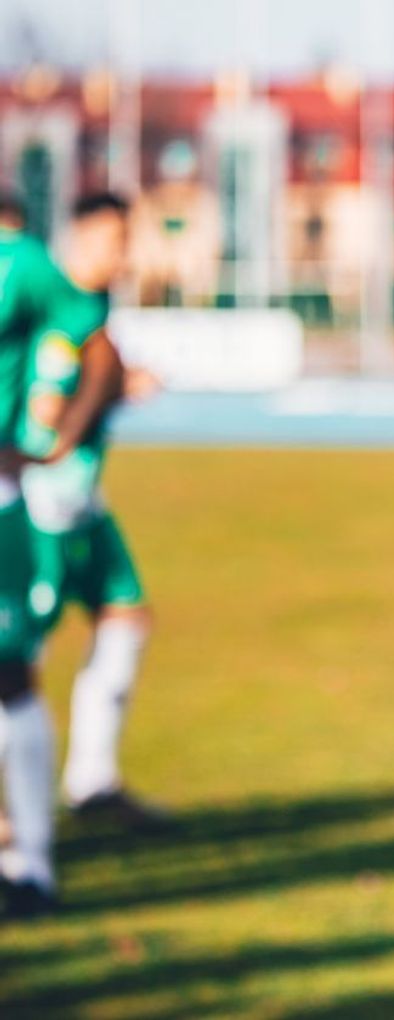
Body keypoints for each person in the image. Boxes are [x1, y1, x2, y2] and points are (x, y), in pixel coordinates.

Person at [15, 192, 166, 837]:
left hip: (83, 503)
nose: (123, 254)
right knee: (17, 660)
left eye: (126, 240)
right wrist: (113, 389)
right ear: (79, 238)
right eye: (113, 241)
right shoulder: (59, 307)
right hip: (41, 506)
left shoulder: (93, 304)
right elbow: (47, 411)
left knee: (126, 617)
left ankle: (92, 780)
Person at [0, 193, 127, 917]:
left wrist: (56, 442)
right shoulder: (26, 262)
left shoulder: (20, 261)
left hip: (21, 500)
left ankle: (29, 862)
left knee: (15, 670)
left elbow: (98, 346)